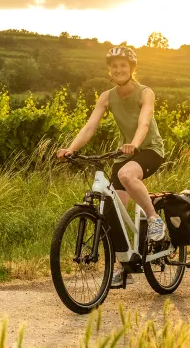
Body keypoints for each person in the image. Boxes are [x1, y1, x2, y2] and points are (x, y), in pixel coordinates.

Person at [57, 44, 166, 285]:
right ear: (110, 70)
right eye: (114, 66)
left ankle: (154, 219)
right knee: (112, 212)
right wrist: (71, 150)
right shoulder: (106, 97)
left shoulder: (145, 92)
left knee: (127, 175)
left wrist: (135, 144)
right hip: (123, 154)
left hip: (149, 150)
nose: (118, 69)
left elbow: (144, 123)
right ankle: (124, 265)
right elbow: (89, 127)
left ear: (131, 69)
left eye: (123, 66)